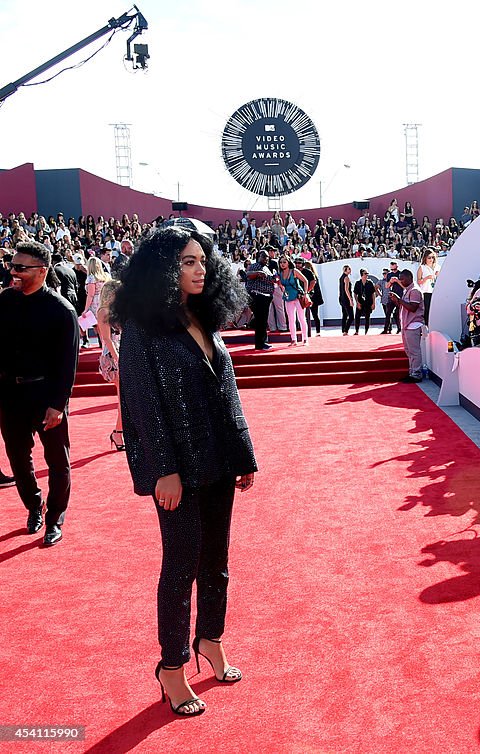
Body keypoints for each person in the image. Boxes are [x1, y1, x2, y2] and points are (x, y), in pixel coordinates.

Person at [113, 226, 257, 718]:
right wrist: (163, 472)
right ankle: (171, 667)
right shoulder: (141, 327)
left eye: (202, 261)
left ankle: (210, 641)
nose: (200, 269)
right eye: (187, 262)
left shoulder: (205, 318)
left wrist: (243, 455)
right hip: (177, 470)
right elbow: (141, 406)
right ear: (161, 270)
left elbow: (228, 394)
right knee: (180, 566)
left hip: (218, 461)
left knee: (216, 561)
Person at [0, 240, 79, 545]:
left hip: (47, 394)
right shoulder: (5, 302)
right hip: (10, 395)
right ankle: (34, 505)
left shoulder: (61, 310)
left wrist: (58, 405)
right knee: (18, 459)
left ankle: (55, 517)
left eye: (20, 267)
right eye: (12, 265)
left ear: (42, 271)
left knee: (58, 461)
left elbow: (68, 364)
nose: (13, 272)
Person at [95, 279, 124, 450]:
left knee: (125, 398)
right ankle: (118, 433)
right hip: (112, 356)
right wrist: (118, 358)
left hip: (120, 352)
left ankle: (119, 432)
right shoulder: (104, 311)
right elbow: (106, 338)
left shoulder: (115, 310)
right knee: (123, 398)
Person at [389, 269, 425, 382]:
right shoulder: (408, 290)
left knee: (414, 351)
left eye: (402, 278)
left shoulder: (414, 291)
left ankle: (416, 373)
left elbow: (413, 308)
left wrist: (399, 299)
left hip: (413, 324)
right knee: (409, 351)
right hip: (407, 324)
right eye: (400, 278)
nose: (401, 281)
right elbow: (405, 306)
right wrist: (397, 300)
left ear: (410, 278)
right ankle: (412, 372)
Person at [244, 251, 274, 350]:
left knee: (263, 320)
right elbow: (248, 274)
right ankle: (260, 343)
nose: (266, 259)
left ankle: (263, 342)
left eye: (268, 257)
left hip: (266, 297)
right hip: (257, 296)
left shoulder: (267, 268)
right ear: (259, 257)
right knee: (260, 320)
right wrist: (257, 273)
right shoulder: (255, 266)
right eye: (264, 257)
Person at [275, 255, 308, 346]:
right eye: (281, 262)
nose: (282, 264)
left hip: (298, 297)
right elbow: (281, 287)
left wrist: (305, 293)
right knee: (291, 319)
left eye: (284, 262)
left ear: (288, 262)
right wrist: (280, 285)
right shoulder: (279, 274)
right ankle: (293, 339)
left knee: (301, 318)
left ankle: (305, 339)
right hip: (288, 298)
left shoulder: (294, 271)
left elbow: (305, 281)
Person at [416, 248, 437, 325]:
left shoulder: (437, 267)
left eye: (432, 257)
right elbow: (419, 281)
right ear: (425, 258)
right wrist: (426, 278)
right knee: (427, 310)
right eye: (429, 257)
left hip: (435, 291)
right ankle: (426, 325)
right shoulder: (422, 267)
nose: (431, 259)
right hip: (426, 292)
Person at [382, 261, 402, 334]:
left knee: (397, 313)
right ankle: (386, 329)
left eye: (394, 269)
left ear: (397, 267)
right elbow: (387, 286)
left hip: (400, 296)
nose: (393, 271)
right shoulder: (389, 275)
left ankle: (399, 328)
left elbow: (404, 286)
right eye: (392, 270)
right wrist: (390, 281)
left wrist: (397, 280)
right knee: (388, 312)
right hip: (392, 295)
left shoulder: (401, 274)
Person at [353, 269, 375, 335]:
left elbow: (373, 294)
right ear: (362, 275)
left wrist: (373, 303)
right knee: (357, 317)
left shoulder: (370, 283)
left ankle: (366, 331)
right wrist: (357, 302)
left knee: (367, 317)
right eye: (365, 274)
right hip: (360, 302)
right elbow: (355, 294)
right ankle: (357, 331)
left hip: (368, 302)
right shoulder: (358, 283)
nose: (367, 275)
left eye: (367, 274)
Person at [338, 264, 354, 335]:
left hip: (341, 298)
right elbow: (346, 289)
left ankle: (343, 330)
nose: (350, 270)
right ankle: (346, 330)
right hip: (346, 299)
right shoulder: (346, 278)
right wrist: (350, 299)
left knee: (344, 314)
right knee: (351, 316)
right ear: (346, 270)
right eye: (349, 269)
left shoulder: (341, 277)